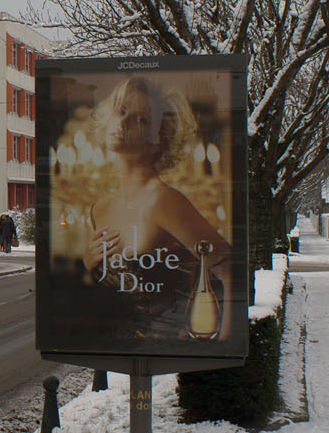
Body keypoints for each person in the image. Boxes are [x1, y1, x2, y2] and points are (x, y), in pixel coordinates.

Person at [82, 74, 230, 334]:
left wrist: (221, 343)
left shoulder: (163, 201)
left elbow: (232, 273)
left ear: (159, 139)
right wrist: (87, 263)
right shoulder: (99, 208)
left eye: (141, 119)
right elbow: (96, 296)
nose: (123, 121)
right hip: (114, 345)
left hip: (162, 340)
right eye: (122, 110)